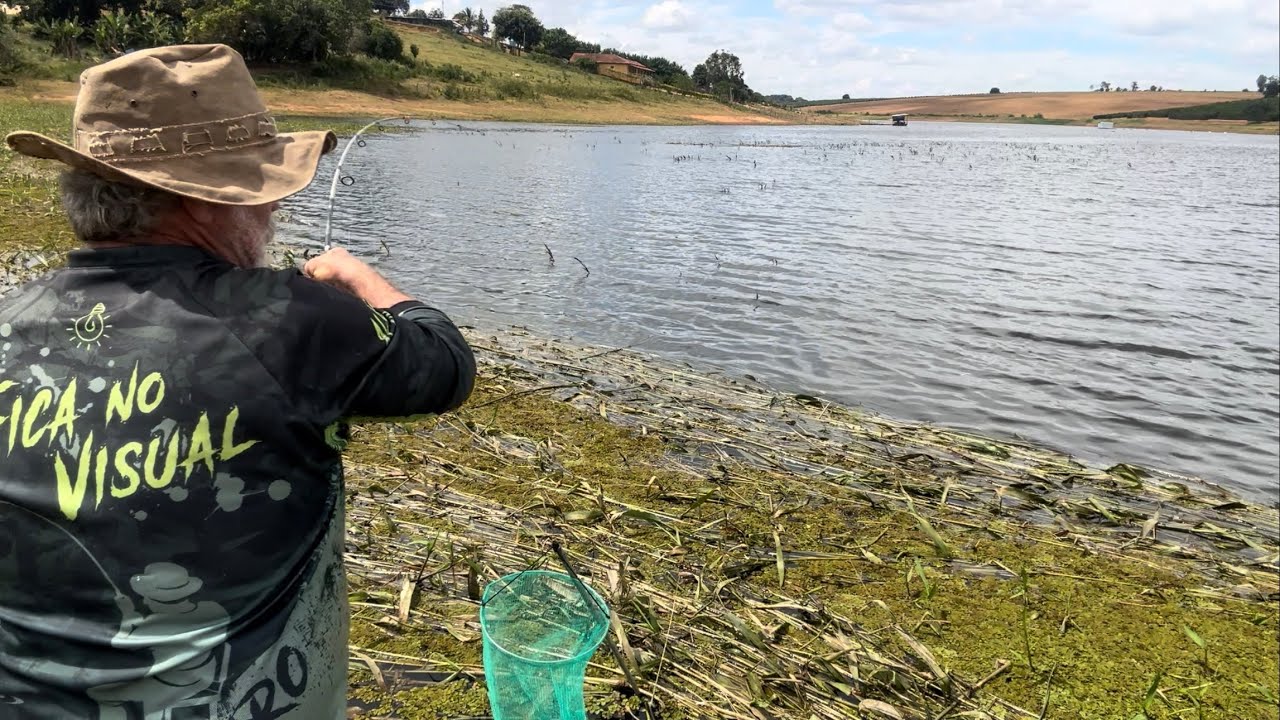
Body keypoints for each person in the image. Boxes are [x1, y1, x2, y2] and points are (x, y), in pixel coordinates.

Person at [0, 44, 475, 719]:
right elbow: (446, 364)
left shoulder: (8, 323)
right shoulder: (295, 322)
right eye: (260, 188)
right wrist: (363, 284)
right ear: (205, 200)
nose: (273, 209)